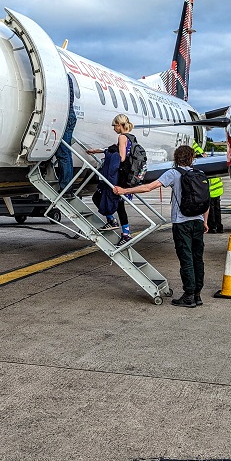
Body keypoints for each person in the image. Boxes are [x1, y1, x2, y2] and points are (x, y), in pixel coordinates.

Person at [114, 144, 208, 308]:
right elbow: (206, 202)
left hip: (182, 223)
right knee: (197, 258)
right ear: (192, 158)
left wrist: (124, 191)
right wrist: (205, 221)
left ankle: (188, 296)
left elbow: (149, 187)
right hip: (198, 221)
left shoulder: (173, 173)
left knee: (186, 259)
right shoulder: (200, 174)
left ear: (177, 158)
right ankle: (197, 295)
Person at [87, 114, 134, 244]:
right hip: (126, 177)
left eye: (114, 126)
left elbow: (122, 157)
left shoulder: (122, 137)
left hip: (118, 177)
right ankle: (125, 233)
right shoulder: (132, 137)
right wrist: (96, 151)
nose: (114, 128)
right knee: (119, 205)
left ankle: (112, 222)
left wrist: (110, 153)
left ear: (120, 125)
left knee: (98, 197)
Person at [193, 143, 224, 233]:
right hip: (218, 191)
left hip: (210, 192)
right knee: (217, 210)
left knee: (210, 211)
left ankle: (212, 228)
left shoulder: (203, 168)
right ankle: (219, 227)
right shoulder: (212, 165)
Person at [55, 75, 77, 191]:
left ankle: (66, 186)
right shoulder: (66, 76)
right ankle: (66, 185)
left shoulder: (60, 76)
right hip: (69, 115)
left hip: (64, 116)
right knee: (65, 153)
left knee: (63, 153)